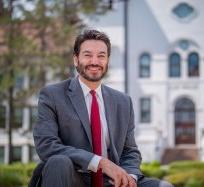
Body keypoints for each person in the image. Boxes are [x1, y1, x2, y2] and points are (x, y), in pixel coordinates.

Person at [31, 29, 173, 187]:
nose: (95, 61)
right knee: (58, 162)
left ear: (107, 61)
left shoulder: (123, 101)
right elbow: (46, 145)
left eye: (101, 56)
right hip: (72, 177)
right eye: (87, 55)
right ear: (76, 59)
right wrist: (99, 162)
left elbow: (130, 150)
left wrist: (130, 177)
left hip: (112, 181)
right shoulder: (53, 95)